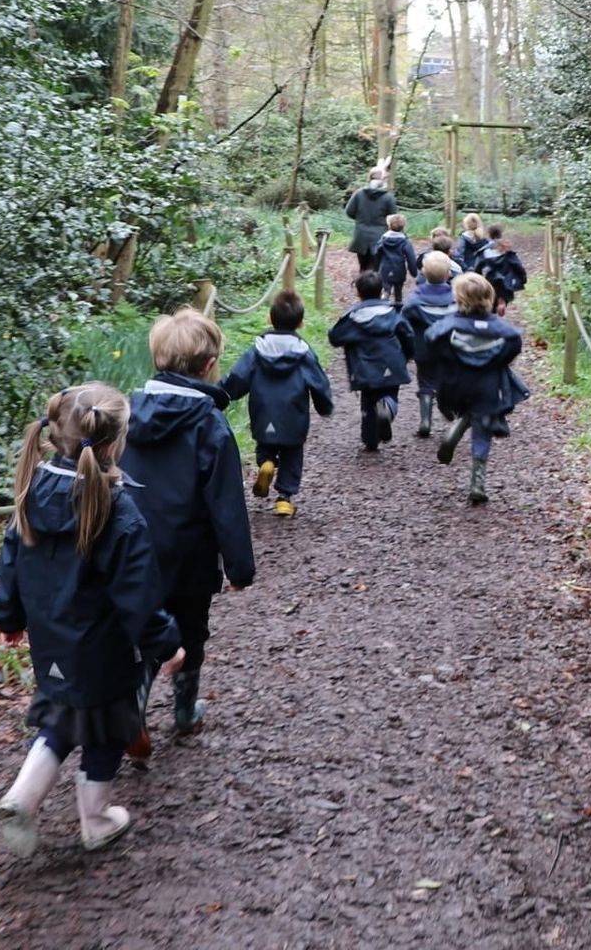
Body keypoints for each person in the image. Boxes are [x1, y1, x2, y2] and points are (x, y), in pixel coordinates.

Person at [0, 382, 187, 856]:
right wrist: (167, 644)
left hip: (51, 642)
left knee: (61, 719)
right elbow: (137, 595)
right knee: (105, 730)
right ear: (115, 444)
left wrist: (8, 617)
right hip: (105, 650)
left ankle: (22, 796)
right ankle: (96, 820)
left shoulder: (31, 490)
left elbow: (11, 559)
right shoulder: (117, 509)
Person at [122, 309, 255, 736]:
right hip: (190, 552)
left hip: (131, 544)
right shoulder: (209, 424)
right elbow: (226, 502)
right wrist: (239, 567)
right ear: (209, 365)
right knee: (190, 630)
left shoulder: (126, 415)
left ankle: (135, 707)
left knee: (143, 624)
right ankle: (183, 711)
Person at [222, 290, 334, 518]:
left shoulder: (258, 350)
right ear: (301, 323)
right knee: (293, 453)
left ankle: (266, 463)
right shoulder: (304, 353)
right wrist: (325, 406)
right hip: (294, 416)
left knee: (265, 446)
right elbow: (318, 383)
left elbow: (239, 376)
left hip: (263, 412)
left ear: (270, 319)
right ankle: (284, 498)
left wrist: (222, 394)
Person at [425, 272, 530, 504]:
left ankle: (458, 426)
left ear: (459, 298)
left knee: (465, 409)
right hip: (488, 383)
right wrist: (497, 360)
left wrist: (450, 358)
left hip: (456, 382)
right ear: (489, 297)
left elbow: (431, 340)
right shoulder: (502, 330)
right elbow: (514, 343)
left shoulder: (449, 326)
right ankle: (477, 483)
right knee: (483, 428)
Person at [326, 269, 415, 451]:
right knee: (390, 396)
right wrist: (407, 356)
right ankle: (387, 409)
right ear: (382, 290)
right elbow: (408, 335)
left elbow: (335, 337)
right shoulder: (393, 313)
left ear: (358, 293)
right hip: (392, 364)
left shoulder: (353, 318)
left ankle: (370, 439)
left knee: (368, 401)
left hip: (364, 368)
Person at [401, 251, 458, 438]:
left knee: (425, 380)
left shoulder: (415, 299)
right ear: (449, 273)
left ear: (423, 273)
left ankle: (425, 420)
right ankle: (446, 406)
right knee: (446, 378)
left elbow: (404, 321)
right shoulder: (456, 298)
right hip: (449, 348)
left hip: (423, 348)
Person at [344, 162, 397, 273]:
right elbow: (393, 218)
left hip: (361, 235)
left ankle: (362, 288)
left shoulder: (358, 194)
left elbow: (349, 211)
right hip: (380, 237)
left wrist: (360, 219)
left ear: (369, 178)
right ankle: (375, 289)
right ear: (383, 180)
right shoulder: (388, 197)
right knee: (377, 269)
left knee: (363, 268)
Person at [472, 223, 529, 315]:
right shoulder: (506, 249)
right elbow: (517, 265)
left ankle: (491, 311)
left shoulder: (485, 251)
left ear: (489, 235)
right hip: (505, 281)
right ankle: (502, 301)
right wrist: (523, 278)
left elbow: (478, 267)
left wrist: (478, 279)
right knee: (503, 292)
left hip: (490, 280)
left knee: (490, 298)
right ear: (501, 234)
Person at [374, 214, 422, 305]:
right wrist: (414, 272)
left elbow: (376, 254)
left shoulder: (382, 240)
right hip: (399, 270)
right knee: (398, 291)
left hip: (384, 269)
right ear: (403, 226)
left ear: (389, 225)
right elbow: (411, 257)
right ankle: (398, 307)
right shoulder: (405, 242)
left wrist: (376, 269)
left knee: (386, 290)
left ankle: (383, 306)